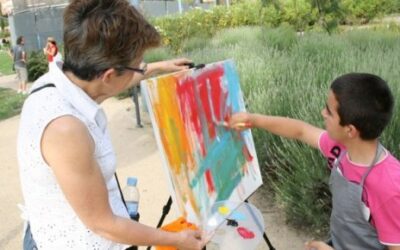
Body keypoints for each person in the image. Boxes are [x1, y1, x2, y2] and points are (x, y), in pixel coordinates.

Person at [17, 0, 207, 249]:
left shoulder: (55, 81)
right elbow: (102, 223)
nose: (140, 68)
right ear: (108, 75)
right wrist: (176, 240)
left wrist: (159, 67)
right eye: (137, 65)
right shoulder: (66, 129)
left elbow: (114, 81)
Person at [228, 73, 400, 250]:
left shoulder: (389, 186)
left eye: (329, 111)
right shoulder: (342, 147)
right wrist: (254, 120)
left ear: (350, 130)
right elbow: (301, 131)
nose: (323, 113)